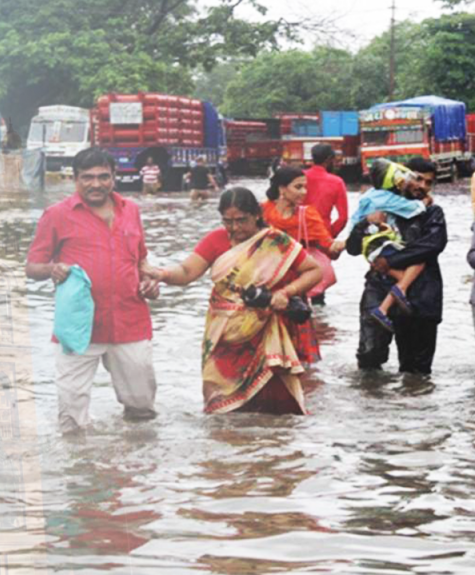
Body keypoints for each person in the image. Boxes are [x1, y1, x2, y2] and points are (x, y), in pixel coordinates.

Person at [147, 188, 323, 414]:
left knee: (269, 400)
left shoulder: (275, 241)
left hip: (262, 327)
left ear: (257, 215)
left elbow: (313, 271)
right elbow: (187, 271)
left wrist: (286, 293)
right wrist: (162, 275)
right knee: (218, 395)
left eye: (242, 220)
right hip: (222, 330)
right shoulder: (216, 240)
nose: (235, 228)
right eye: (228, 221)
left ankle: (266, 444)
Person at [26, 147, 160, 433]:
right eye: (87, 177)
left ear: (114, 177)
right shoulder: (57, 215)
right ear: (75, 179)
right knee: (72, 420)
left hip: (130, 324)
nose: (96, 184)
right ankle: (78, 473)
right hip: (77, 328)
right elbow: (32, 267)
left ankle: (138, 472)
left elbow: (141, 260)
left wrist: (149, 281)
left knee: (142, 409)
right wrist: (52, 269)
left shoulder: (131, 210)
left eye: (103, 176)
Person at [346, 157, 445, 375]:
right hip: (378, 289)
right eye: (418, 179)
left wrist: (389, 262)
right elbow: (352, 248)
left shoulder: (431, 212)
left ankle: (408, 409)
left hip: (420, 295)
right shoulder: (375, 205)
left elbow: (432, 245)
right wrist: (364, 224)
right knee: (369, 358)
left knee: (416, 372)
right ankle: (376, 408)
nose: (422, 186)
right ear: (400, 177)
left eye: (428, 183)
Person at [346, 160, 430, 332]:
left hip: (369, 248)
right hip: (379, 246)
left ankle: (385, 307)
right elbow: (415, 209)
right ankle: (399, 291)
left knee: (401, 274)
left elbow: (352, 232)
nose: (417, 184)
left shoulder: (370, 195)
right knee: (418, 261)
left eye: (427, 182)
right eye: (416, 179)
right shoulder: (387, 199)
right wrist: (426, 202)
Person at [262, 167, 345, 301]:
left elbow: (328, 247)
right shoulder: (262, 212)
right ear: (282, 188)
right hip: (265, 279)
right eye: (298, 187)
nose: (304, 192)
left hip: (298, 284)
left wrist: (342, 244)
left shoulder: (307, 215)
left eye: (305, 187)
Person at [303, 143, 350, 239]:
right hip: (323, 233)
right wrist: (330, 234)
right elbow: (343, 218)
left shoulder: (299, 177)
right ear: (329, 160)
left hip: (299, 232)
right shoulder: (337, 182)